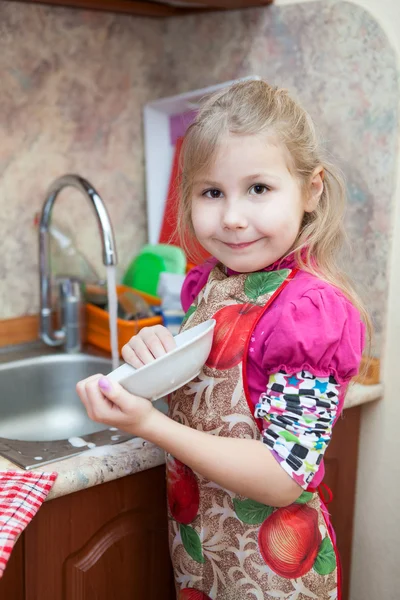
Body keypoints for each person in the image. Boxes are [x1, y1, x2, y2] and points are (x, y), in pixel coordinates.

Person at [76, 80, 368, 600]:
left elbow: (285, 476)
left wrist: (150, 424)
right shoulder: (211, 283)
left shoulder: (311, 316)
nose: (232, 217)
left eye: (259, 188)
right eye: (212, 192)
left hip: (273, 579)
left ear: (311, 189)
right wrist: (152, 361)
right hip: (202, 558)